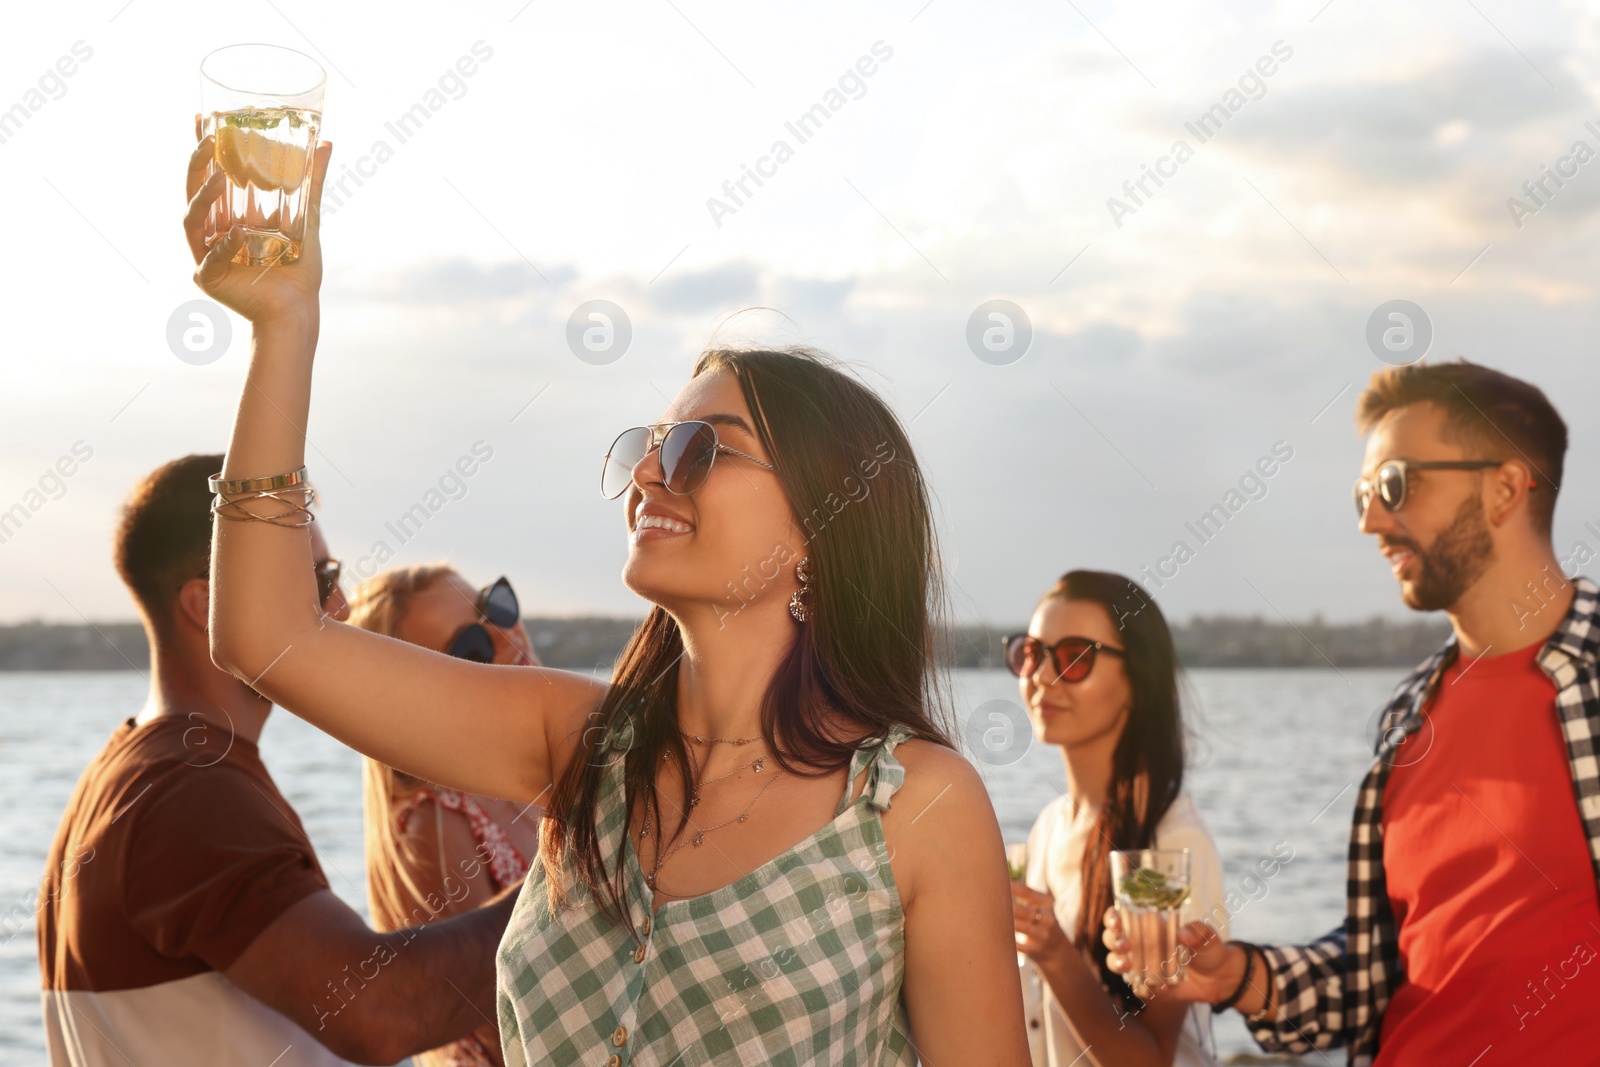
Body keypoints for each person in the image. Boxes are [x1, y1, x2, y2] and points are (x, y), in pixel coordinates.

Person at [183, 133, 1031, 1065]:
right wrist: (284, 327)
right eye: (652, 447)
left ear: (822, 536)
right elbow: (266, 636)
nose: (652, 478)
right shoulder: (581, 749)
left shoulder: (911, 805)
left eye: (703, 450)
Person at [1106, 359, 1600, 1065]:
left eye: (1396, 484)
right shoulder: (1410, 716)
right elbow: (1380, 967)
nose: (1371, 520)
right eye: (1362, 494)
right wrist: (1242, 976)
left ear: (1505, 486)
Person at [36, 454, 518, 1066]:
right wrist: (586, 870)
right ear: (207, 605)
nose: (341, 606)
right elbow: (380, 1012)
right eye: (318, 580)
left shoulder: (135, 773)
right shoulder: (187, 790)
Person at [1008, 571, 1225, 1067]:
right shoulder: (1049, 827)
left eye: (1075, 658)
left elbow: (1149, 1059)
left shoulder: (1170, 844)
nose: (1041, 676)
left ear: (1136, 681)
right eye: (1031, 653)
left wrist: (1053, 951)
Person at [349, 564, 546, 1067]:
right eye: (471, 648)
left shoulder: (539, 780)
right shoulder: (436, 824)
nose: (508, 636)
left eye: (494, 607)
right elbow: (508, 1023)